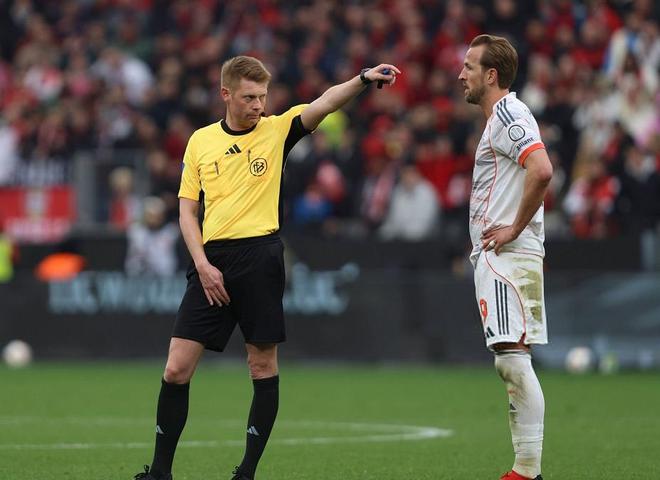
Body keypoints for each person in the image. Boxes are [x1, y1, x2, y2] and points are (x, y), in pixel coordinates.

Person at [133, 56, 400, 480]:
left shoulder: (277, 131)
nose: (259, 105)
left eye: (262, 96)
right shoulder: (200, 141)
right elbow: (186, 212)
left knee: (261, 367)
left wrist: (364, 78)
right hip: (211, 261)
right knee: (176, 368)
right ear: (226, 94)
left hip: (261, 258)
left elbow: (325, 102)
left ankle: (246, 473)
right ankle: (160, 472)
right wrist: (202, 264)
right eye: (249, 97)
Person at [458, 35, 553, 480]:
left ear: (491, 75)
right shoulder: (500, 118)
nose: (461, 74)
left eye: (469, 66)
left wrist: (513, 228)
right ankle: (526, 470)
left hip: (508, 251)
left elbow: (542, 169)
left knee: (512, 359)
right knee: (511, 357)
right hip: (505, 252)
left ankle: (527, 471)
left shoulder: (509, 114)